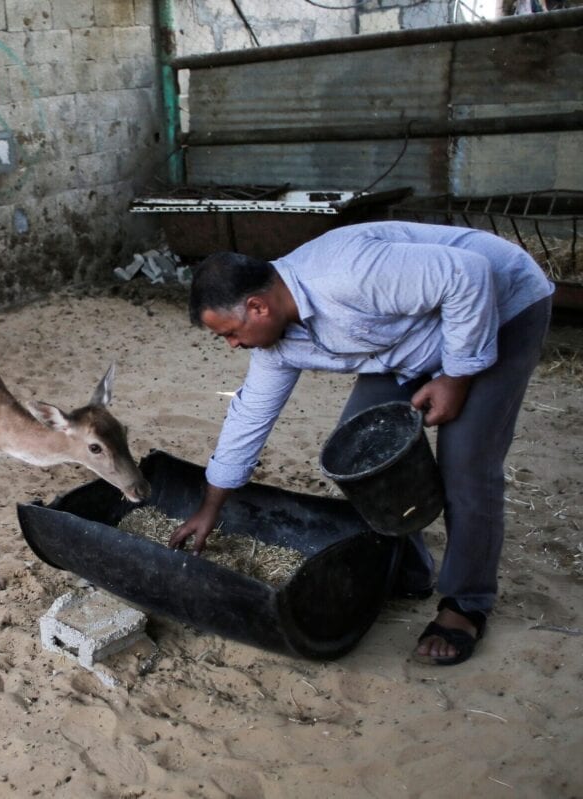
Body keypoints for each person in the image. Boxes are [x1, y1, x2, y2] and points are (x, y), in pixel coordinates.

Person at [171, 221, 554, 666]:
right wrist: (211, 506)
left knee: (465, 463)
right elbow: (250, 417)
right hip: (406, 336)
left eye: (229, 333)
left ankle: (465, 604)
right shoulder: (277, 343)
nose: (233, 345)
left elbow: (467, 274)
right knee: (359, 454)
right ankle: (409, 572)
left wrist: (456, 376)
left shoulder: (345, 275)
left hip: (502, 303)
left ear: (257, 307)